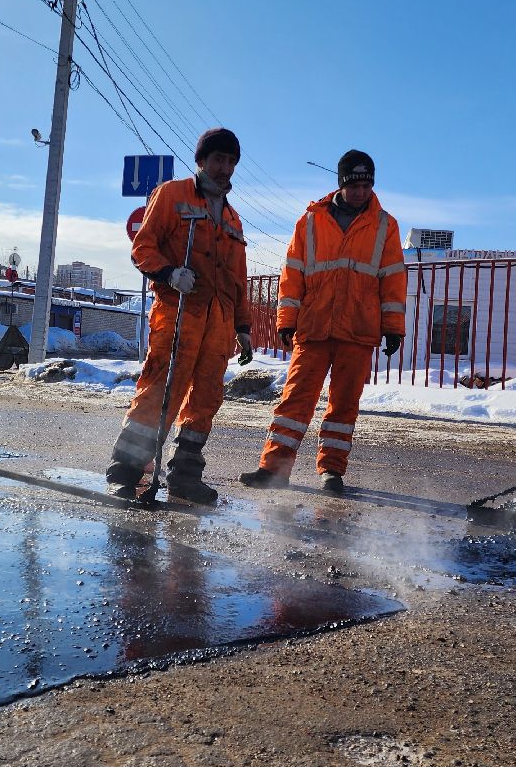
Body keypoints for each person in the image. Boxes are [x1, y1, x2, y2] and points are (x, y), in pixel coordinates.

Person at [239, 149, 405, 496]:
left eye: (367, 185)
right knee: (295, 399)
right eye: (355, 185)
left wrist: (393, 326)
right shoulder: (310, 221)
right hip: (313, 326)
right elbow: (293, 273)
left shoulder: (385, 225)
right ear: (341, 184)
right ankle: (274, 469)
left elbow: (392, 278)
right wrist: (287, 319)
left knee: (344, 404)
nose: (361, 192)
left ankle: (331, 470)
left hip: (358, 330)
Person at [105, 127, 252, 503]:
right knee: (160, 389)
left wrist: (244, 327)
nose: (226, 167)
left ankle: (185, 474)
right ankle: (127, 469)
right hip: (178, 311)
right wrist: (170, 273)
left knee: (205, 399)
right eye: (219, 159)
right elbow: (143, 247)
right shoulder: (172, 195)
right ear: (201, 160)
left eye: (232, 161)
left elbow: (238, 279)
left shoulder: (233, 220)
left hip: (217, 322)